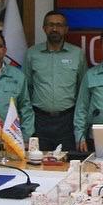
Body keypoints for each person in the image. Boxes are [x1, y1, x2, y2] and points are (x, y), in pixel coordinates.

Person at [24, 11, 86, 151]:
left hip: (67, 121)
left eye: (59, 25)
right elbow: (26, 89)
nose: (54, 29)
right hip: (39, 121)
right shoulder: (32, 54)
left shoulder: (77, 54)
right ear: (44, 28)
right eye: (50, 25)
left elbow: (82, 91)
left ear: (66, 29)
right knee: (38, 161)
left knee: (67, 161)